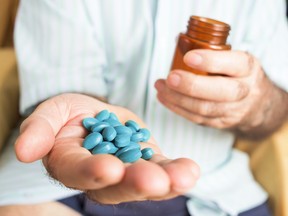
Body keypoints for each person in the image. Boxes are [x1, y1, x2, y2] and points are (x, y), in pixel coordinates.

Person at [1, 0, 288, 215]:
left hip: (217, 192)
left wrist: (257, 103)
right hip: (56, 188)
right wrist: (74, 114)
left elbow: (277, 109)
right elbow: (62, 80)